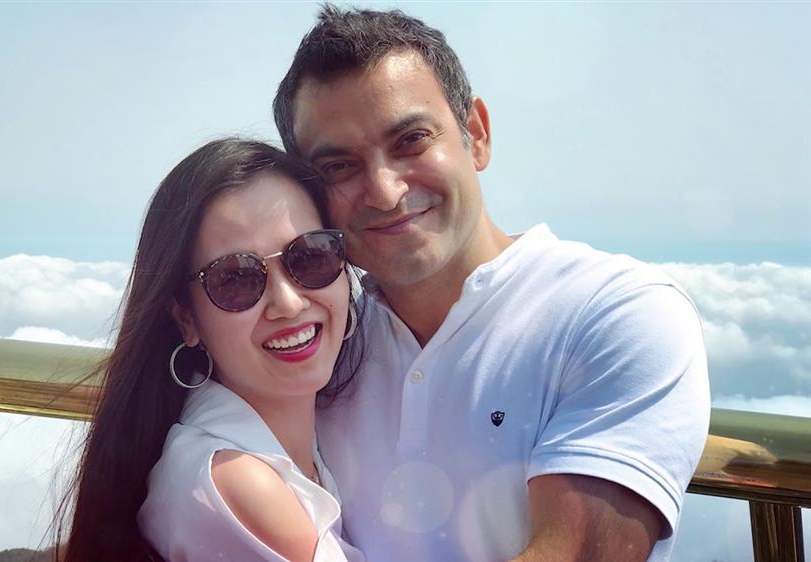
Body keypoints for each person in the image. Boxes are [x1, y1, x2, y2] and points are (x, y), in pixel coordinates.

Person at [272, 5, 711, 561]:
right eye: (339, 167)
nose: (384, 190)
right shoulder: (321, 341)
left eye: (411, 140)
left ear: (476, 134)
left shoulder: (615, 313)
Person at [56, 139, 365, 562]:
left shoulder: (299, 438)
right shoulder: (240, 486)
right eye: (236, 279)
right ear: (186, 318)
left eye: (311, 256)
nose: (289, 302)